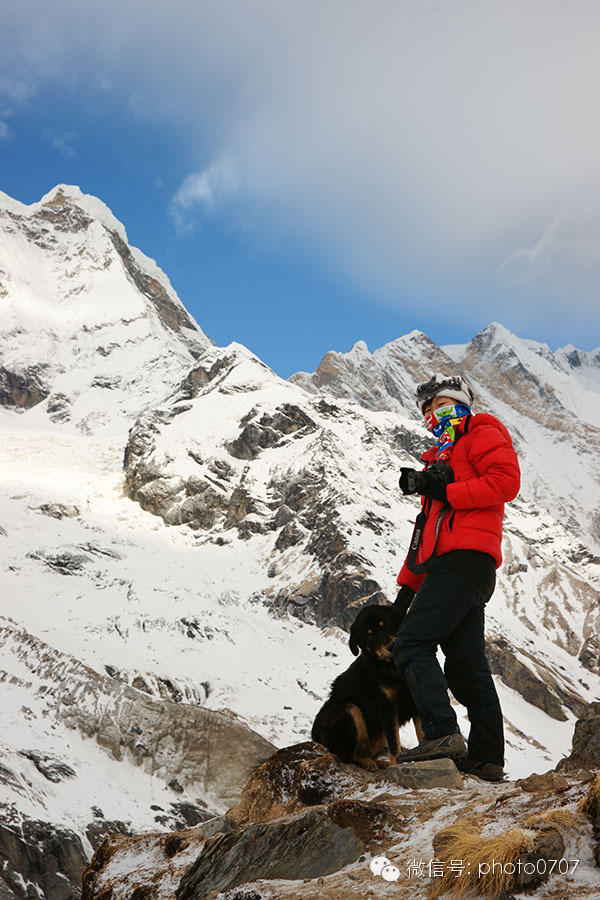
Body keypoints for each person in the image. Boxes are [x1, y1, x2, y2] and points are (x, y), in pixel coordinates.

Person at [392, 373, 520, 782]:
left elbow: (505, 482)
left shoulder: (481, 432)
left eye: (441, 404)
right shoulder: (439, 458)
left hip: (466, 560)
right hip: (457, 566)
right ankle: (486, 760)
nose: (434, 413)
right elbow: (425, 532)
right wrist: (405, 592)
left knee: (412, 643)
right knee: (465, 665)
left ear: (462, 402)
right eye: (427, 409)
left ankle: (442, 734)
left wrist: (445, 488)